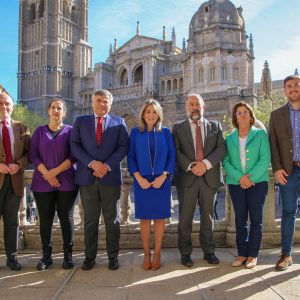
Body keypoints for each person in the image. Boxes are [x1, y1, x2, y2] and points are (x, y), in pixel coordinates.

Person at [70, 89, 128, 271]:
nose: (102, 104)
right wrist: (92, 163)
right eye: (99, 100)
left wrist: (106, 166)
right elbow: (74, 145)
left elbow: (123, 147)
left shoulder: (119, 123)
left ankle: (113, 256)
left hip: (110, 178)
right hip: (87, 178)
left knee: (113, 220)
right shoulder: (80, 121)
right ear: (92, 102)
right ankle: (89, 257)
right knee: (90, 220)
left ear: (110, 104)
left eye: (106, 101)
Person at [172, 93, 226, 267]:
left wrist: (205, 164)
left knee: (207, 217)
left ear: (204, 106)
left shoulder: (215, 126)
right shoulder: (178, 127)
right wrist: (191, 166)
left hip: (209, 178)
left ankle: (209, 251)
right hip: (187, 178)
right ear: (187, 107)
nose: (194, 107)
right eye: (191, 104)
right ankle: (185, 253)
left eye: (198, 104)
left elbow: (221, 149)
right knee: (185, 218)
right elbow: (176, 152)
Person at [29, 98, 78, 270]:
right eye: (53, 107)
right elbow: (33, 155)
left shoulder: (71, 131)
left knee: (66, 218)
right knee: (46, 219)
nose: (56, 110)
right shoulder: (39, 132)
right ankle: (46, 256)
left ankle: (68, 256)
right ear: (48, 111)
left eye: (60, 108)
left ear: (64, 112)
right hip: (42, 183)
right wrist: (47, 175)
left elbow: (73, 156)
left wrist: (54, 173)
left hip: (67, 182)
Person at [127, 99, 175, 270]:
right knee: (145, 219)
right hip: (142, 180)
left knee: (160, 218)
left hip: (162, 180)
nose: (151, 115)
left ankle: (157, 253)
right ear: (142, 114)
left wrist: (164, 176)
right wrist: (138, 177)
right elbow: (131, 157)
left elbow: (171, 156)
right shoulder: (135, 133)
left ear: (159, 114)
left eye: (154, 112)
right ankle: (146, 253)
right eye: (148, 111)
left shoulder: (166, 132)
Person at [223, 102, 270, 268]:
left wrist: (250, 178)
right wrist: (239, 178)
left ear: (250, 116)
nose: (242, 115)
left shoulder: (260, 135)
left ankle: (253, 255)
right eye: (238, 113)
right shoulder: (229, 138)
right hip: (236, 184)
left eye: (245, 112)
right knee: (240, 220)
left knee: (256, 220)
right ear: (235, 117)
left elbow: (265, 159)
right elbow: (226, 161)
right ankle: (242, 253)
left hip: (258, 183)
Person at [269, 74, 300, 271]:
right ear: (284, 90)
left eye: (296, 85)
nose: (293, 88)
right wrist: (278, 168)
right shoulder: (277, 114)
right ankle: (286, 254)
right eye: (289, 86)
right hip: (288, 172)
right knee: (288, 213)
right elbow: (273, 144)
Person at [0, 92, 30, 270]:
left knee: (12, 222)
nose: (4, 107)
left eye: (7, 104)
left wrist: (19, 165)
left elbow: (28, 154)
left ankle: (12, 259)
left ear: (12, 106)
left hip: (15, 182)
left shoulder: (22, 128)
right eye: (1, 104)